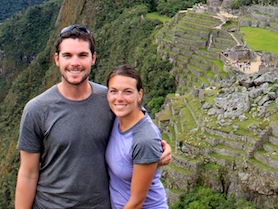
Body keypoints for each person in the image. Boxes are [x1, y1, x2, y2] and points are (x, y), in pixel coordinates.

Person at [15, 25, 172, 209]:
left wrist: (159, 148)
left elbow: (140, 125)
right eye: (67, 55)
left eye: (82, 55)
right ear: (57, 59)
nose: (75, 63)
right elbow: (27, 173)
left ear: (93, 58)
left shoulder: (111, 100)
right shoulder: (36, 110)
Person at [105, 65, 168, 209]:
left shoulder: (144, 140)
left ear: (139, 95)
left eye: (127, 92)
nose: (119, 98)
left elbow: (136, 203)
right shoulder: (118, 118)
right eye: (113, 91)